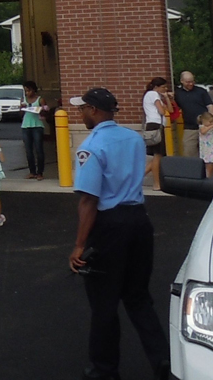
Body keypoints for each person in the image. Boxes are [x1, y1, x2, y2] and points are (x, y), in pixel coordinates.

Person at [68, 87, 168, 380]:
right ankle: (163, 359)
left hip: (110, 225)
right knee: (138, 297)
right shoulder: (133, 139)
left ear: (96, 111)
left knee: (104, 302)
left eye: (83, 108)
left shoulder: (91, 146)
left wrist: (79, 245)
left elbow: (88, 199)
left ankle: (104, 369)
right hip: (138, 220)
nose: (80, 113)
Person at [142, 78, 171, 191]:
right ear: (156, 87)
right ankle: (156, 183)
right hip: (156, 126)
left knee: (157, 156)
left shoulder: (154, 96)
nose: (165, 89)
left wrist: (167, 98)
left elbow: (170, 110)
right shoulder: (153, 94)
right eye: (163, 87)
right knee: (157, 155)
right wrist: (162, 104)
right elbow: (162, 111)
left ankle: (137, 178)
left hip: (155, 126)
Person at [175, 71, 213, 157]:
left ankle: (206, 170)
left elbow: (210, 106)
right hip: (189, 127)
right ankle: (193, 169)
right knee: (188, 150)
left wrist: (210, 121)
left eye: (192, 81)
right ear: (182, 81)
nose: (191, 84)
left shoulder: (201, 91)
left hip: (205, 125)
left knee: (208, 152)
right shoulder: (178, 93)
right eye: (188, 82)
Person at [20, 80, 48, 180]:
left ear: (33, 90)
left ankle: (40, 172)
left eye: (28, 90)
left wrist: (42, 110)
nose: (27, 93)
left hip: (37, 125)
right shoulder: (24, 100)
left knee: (39, 149)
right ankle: (32, 171)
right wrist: (21, 108)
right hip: (26, 125)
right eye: (25, 91)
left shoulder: (40, 100)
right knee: (28, 150)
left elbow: (45, 113)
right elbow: (21, 115)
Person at [199, 111, 213, 178]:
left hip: (211, 149)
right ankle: (207, 178)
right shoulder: (202, 127)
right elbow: (203, 132)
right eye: (210, 122)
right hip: (206, 150)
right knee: (208, 166)